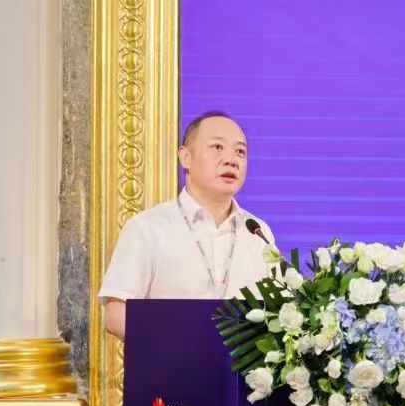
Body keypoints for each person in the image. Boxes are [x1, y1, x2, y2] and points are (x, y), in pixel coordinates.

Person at [99, 111, 275, 340]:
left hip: (241, 363)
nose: (232, 159)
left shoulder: (257, 231)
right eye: (217, 147)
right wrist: (176, 347)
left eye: (240, 151)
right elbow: (115, 314)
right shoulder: (148, 228)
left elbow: (280, 311)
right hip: (170, 361)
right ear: (186, 157)